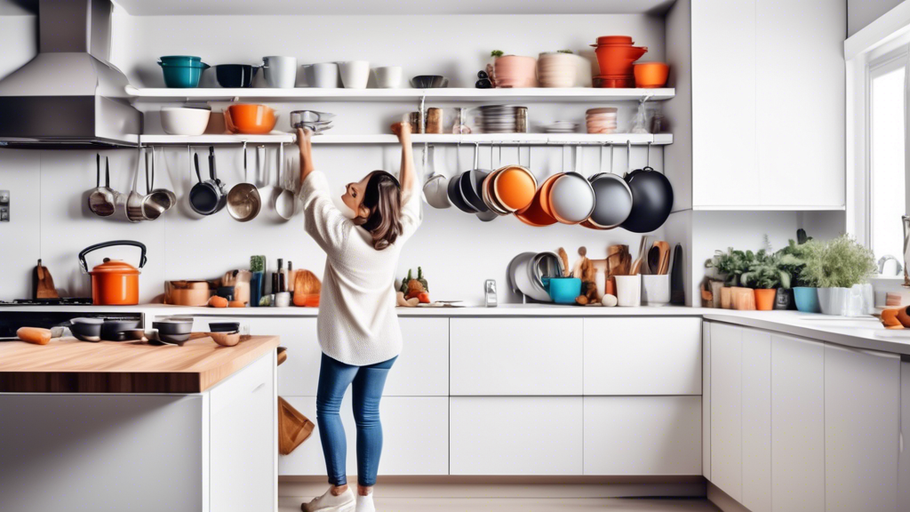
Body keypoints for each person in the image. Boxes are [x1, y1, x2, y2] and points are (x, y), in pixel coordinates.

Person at [297, 122, 419, 512]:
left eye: (355, 189)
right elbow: (410, 190)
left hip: (345, 346)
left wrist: (305, 145)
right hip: (384, 344)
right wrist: (407, 141)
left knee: (328, 409)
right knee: (368, 415)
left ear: (367, 207)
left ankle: (338, 493)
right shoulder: (398, 230)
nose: (348, 187)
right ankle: (366, 500)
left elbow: (313, 191)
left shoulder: (341, 235)